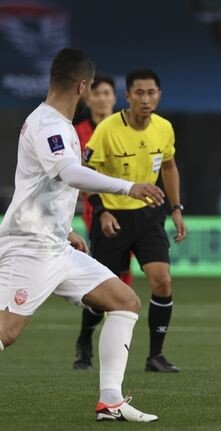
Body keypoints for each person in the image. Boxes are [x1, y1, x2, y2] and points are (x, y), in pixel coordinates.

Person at [0, 48, 165, 421]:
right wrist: (128, 187)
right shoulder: (51, 127)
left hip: (55, 244)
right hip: (30, 247)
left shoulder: (53, 123)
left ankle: (111, 401)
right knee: (6, 332)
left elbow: (44, 185)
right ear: (83, 86)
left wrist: (68, 228)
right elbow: (70, 174)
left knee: (124, 301)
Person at [83, 69, 187, 373]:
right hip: (112, 216)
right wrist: (101, 211)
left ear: (159, 95)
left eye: (151, 92)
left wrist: (176, 207)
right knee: (101, 293)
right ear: (126, 96)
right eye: (139, 93)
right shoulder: (107, 130)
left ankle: (155, 356)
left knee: (162, 280)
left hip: (148, 215)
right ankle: (84, 342)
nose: (145, 98)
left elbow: (169, 166)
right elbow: (84, 174)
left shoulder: (164, 128)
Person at [73, 75, 136, 370]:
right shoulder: (78, 132)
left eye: (107, 93)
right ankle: (86, 339)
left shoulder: (125, 129)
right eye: (96, 93)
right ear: (88, 98)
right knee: (105, 279)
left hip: (132, 210)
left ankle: (113, 343)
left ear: (115, 98)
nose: (101, 98)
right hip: (98, 211)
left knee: (123, 278)